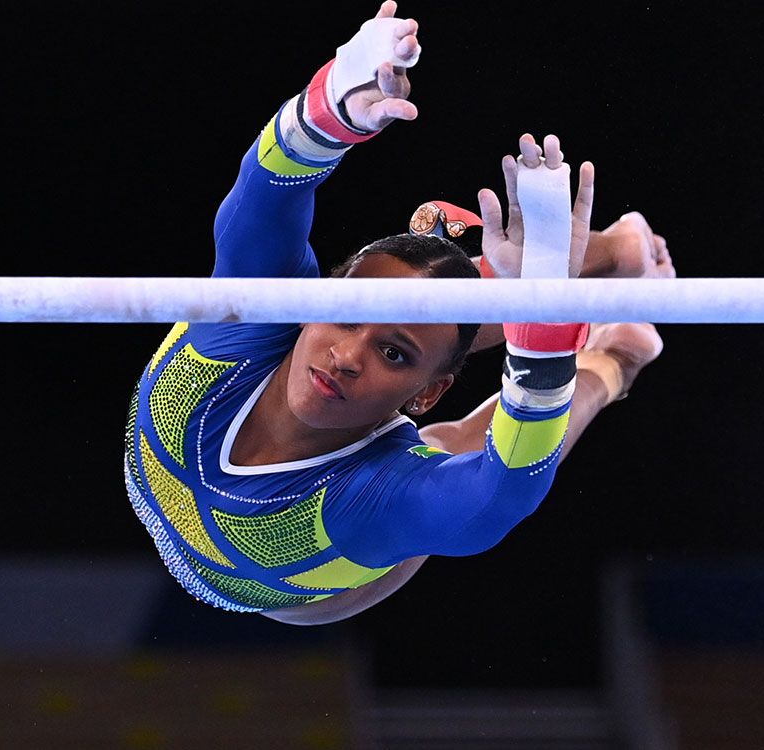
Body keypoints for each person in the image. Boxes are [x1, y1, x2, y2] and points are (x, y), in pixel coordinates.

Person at [124, 1, 669, 626]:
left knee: (460, 443)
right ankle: (600, 257)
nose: (346, 357)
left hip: (301, 589)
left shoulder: (372, 500)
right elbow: (261, 197)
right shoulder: (248, 325)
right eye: (345, 318)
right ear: (316, 302)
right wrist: (327, 111)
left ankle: (619, 351)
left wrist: (545, 326)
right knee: (428, 311)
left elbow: (500, 491)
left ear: (430, 392)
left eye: (391, 356)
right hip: (209, 501)